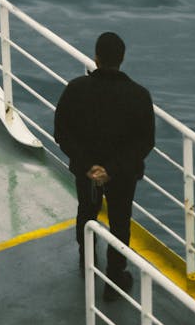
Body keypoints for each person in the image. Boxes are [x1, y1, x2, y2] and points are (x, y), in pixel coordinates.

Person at [54, 31, 155, 300]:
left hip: (86, 173)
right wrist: (111, 169)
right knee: (120, 223)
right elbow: (145, 142)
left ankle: (86, 261)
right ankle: (114, 281)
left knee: (86, 212)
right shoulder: (139, 96)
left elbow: (62, 132)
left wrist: (89, 167)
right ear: (122, 60)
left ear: (96, 58)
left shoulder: (75, 89)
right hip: (122, 176)